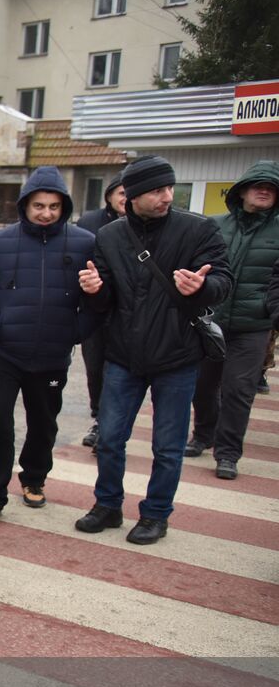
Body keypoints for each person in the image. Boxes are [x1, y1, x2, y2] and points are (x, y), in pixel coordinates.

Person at [75, 155, 231, 545]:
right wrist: (95, 290)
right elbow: (105, 299)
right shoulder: (110, 236)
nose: (166, 196)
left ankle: (156, 515)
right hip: (123, 356)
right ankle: (107, 505)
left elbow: (224, 280)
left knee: (167, 446)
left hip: (177, 357)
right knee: (109, 437)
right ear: (133, 197)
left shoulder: (197, 230)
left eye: (168, 189)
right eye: (156, 191)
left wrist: (203, 287)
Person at [0, 166, 97, 524]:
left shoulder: (85, 243)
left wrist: (75, 331)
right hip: (4, 354)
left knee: (44, 424)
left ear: (63, 207)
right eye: (38, 205)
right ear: (25, 206)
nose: (46, 213)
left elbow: (101, 298)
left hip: (53, 355)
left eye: (53, 206)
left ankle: (34, 479)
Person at [184, 161, 279, 479]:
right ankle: (203, 435)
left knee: (239, 389)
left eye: (271, 188)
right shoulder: (214, 225)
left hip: (254, 325)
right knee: (202, 385)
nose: (264, 191)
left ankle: (227, 454)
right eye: (258, 186)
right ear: (241, 192)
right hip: (212, 321)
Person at [74, 173, 126, 449]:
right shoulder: (89, 223)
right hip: (93, 312)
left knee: (117, 373)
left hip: (127, 314)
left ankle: (109, 427)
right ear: (109, 196)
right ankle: (99, 418)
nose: (125, 199)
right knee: (95, 370)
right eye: (121, 193)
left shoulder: (144, 227)